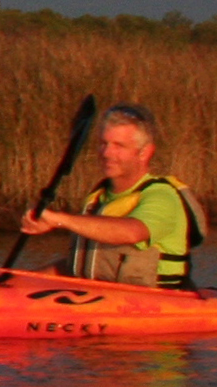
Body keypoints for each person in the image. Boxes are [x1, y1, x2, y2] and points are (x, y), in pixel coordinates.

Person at [20, 103, 199, 288]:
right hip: (101, 303)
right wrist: (20, 282)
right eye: (103, 144)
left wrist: (58, 220)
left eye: (119, 146)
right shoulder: (98, 198)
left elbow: (132, 232)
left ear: (144, 152)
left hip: (156, 306)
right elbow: (79, 267)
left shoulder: (162, 196)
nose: (106, 153)